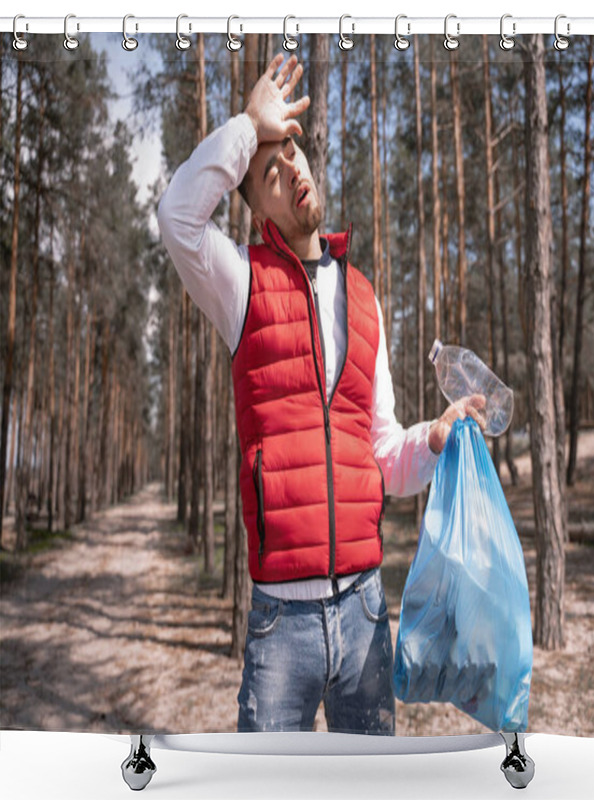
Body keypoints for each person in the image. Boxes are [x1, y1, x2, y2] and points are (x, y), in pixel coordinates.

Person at [157, 53, 485, 736]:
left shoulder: (364, 298)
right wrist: (250, 125)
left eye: (293, 156)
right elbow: (178, 217)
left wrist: (433, 438)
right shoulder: (239, 283)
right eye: (269, 175)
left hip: (367, 612)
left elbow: (385, 456)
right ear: (258, 213)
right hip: (283, 624)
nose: (291, 173)